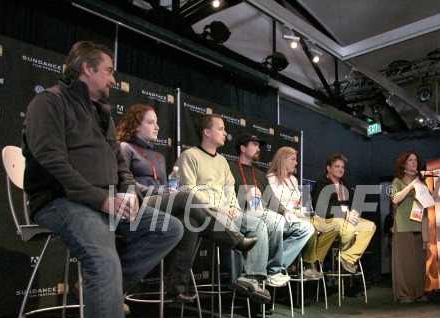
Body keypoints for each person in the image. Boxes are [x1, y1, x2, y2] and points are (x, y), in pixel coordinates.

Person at [22, 41, 182, 318]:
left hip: (106, 201)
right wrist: (100, 199)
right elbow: (51, 161)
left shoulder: (103, 113)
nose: (114, 78)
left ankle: (105, 289)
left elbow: (119, 165)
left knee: (170, 227)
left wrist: (127, 192)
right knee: (103, 264)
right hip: (62, 201)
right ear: (87, 69)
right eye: (109, 70)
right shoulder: (49, 102)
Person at [117, 104, 257, 302]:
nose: (157, 127)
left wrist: (167, 191)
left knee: (189, 221)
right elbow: (125, 182)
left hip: (159, 205)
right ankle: (235, 240)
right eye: (150, 122)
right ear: (135, 125)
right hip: (136, 202)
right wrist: (163, 191)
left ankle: (176, 287)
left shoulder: (158, 156)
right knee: (185, 197)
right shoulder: (125, 148)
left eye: (157, 122)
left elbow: (167, 186)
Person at [173, 115, 271, 304]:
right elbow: (188, 192)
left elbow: (230, 189)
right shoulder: (190, 156)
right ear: (207, 132)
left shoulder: (223, 161)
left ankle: (251, 278)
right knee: (229, 222)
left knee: (259, 225)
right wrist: (219, 208)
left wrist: (233, 206)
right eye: (220, 128)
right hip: (203, 214)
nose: (226, 133)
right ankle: (236, 280)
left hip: (226, 212)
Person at [228, 138, 313, 284]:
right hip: (240, 212)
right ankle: (274, 271)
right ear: (243, 148)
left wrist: (287, 212)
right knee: (275, 220)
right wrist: (243, 196)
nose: (259, 149)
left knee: (306, 227)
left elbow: (272, 200)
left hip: (262, 213)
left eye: (259, 146)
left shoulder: (260, 174)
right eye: (254, 145)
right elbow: (224, 194)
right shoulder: (229, 168)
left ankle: (270, 267)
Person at [307, 154, 376, 275]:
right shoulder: (321, 183)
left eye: (343, 167)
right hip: (330, 219)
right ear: (329, 168)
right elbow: (320, 208)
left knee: (371, 226)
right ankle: (340, 255)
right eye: (337, 166)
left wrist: (354, 213)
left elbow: (354, 203)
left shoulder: (345, 184)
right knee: (348, 232)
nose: (341, 169)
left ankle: (347, 257)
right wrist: (345, 214)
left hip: (347, 218)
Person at [391, 151, 440, 303]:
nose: (414, 162)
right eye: (410, 160)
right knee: (405, 262)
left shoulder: (421, 182)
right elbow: (395, 199)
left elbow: (428, 201)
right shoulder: (397, 181)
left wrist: (437, 188)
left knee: (418, 262)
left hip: (419, 224)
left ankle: (418, 293)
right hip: (403, 225)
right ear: (404, 164)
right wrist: (411, 186)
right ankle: (405, 294)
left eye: (416, 160)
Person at [265, 145, 318, 277]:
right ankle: (275, 267)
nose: (296, 163)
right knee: (309, 227)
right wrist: (291, 212)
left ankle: (278, 266)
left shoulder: (294, 180)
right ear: (283, 160)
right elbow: (273, 205)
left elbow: (299, 202)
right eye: (293, 159)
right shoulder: (271, 179)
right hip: (280, 219)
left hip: (296, 218)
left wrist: (301, 211)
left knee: (314, 225)